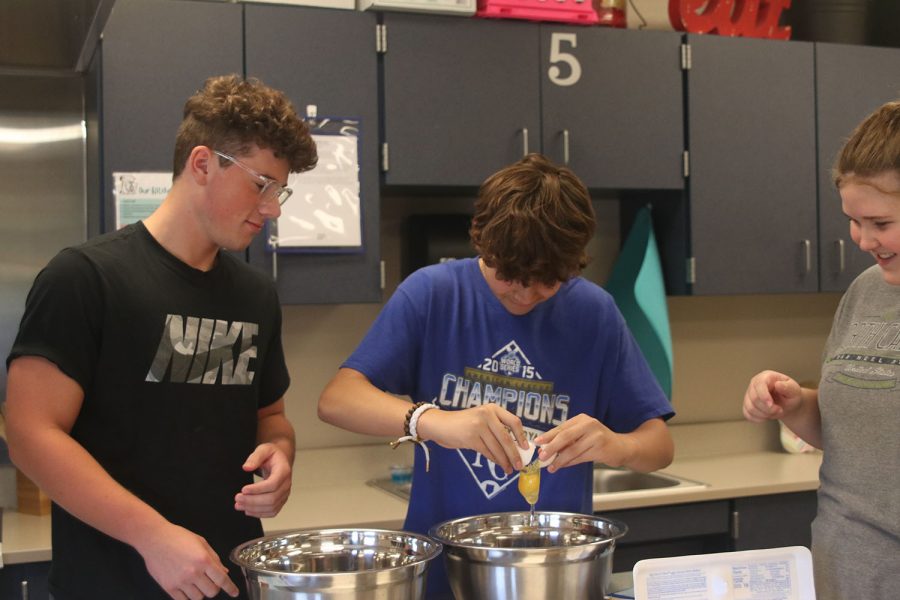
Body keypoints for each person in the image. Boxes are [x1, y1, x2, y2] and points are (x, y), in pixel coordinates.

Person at [4, 74, 317, 599]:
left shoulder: (256, 295)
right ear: (202, 164)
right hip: (111, 583)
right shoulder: (85, 278)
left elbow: (270, 419)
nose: (273, 208)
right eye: (260, 184)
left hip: (227, 582)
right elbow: (30, 436)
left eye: (279, 190)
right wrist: (152, 537)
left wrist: (279, 456)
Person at [318, 153, 675, 598]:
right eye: (510, 276)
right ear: (483, 244)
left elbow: (659, 445)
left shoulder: (594, 314)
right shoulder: (432, 294)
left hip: (555, 576)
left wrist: (616, 446)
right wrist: (435, 422)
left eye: (545, 282)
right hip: (443, 575)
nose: (524, 294)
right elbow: (338, 399)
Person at [743, 101, 900, 600]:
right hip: (841, 572)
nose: (862, 240)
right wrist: (796, 404)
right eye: (853, 221)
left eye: (880, 223)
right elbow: (847, 435)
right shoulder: (866, 291)